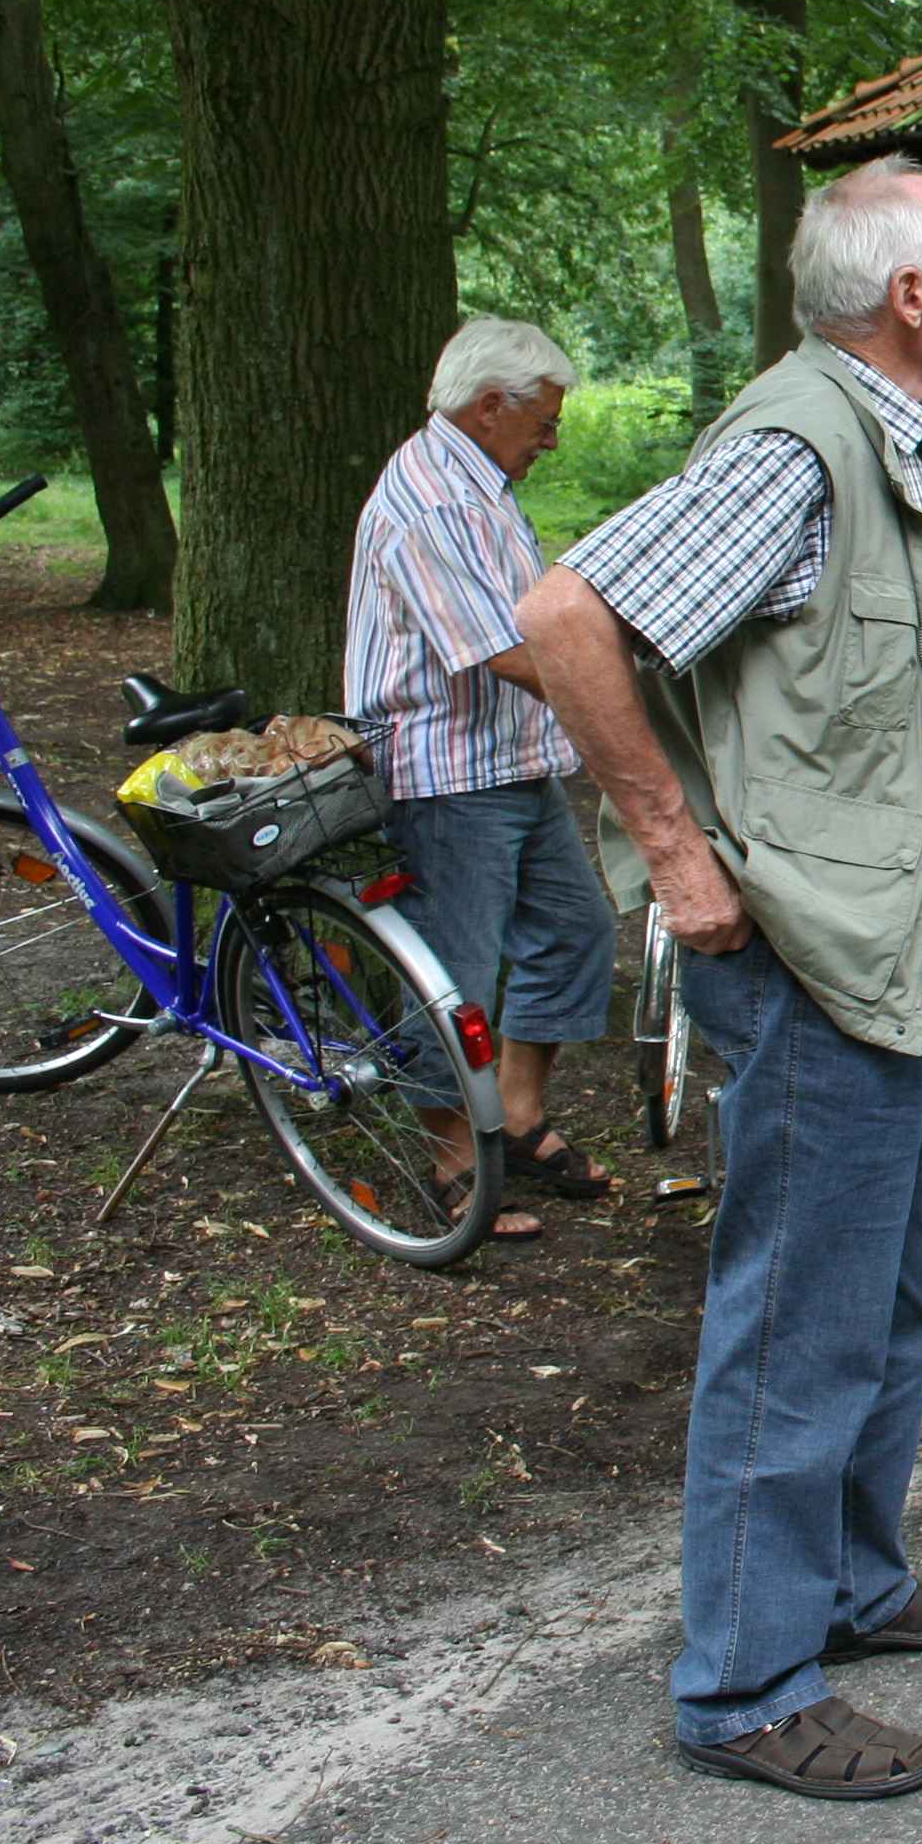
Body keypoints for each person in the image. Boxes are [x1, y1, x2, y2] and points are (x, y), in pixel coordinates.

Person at [519, 155, 922, 1801]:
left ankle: (852, 1582)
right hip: (816, 952)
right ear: (906, 296)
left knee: (879, 1286)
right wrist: (672, 850)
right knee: (797, 1312)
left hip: (897, 935)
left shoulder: (873, 441)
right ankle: (743, 1678)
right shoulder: (798, 444)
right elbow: (564, 608)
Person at [344, 318, 617, 1244]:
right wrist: (623, 693)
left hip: (512, 760)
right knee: (453, 979)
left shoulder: (480, 480)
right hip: (447, 775)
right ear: (489, 405)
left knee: (575, 931)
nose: (551, 438)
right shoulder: (434, 501)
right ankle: (455, 1167)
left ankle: (518, 1114)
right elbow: (501, 652)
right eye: (542, 420)